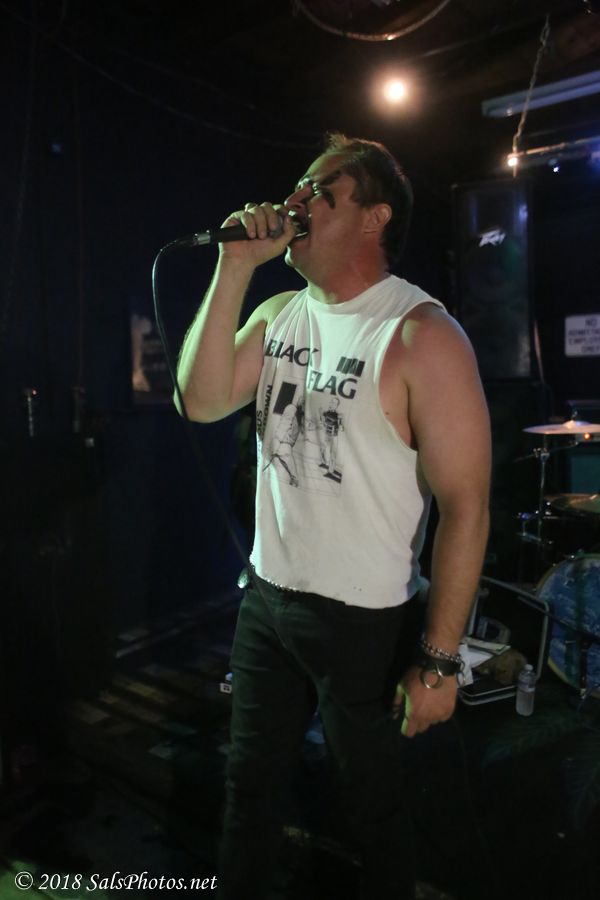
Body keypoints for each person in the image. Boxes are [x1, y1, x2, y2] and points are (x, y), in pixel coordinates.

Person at [175, 133, 491, 900]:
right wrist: (234, 267)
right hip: (269, 604)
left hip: (366, 624)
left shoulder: (420, 334)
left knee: (373, 810)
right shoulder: (280, 312)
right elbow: (201, 400)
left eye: (320, 191)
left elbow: (468, 506)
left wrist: (439, 661)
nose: (294, 202)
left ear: (375, 217)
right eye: (297, 186)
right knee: (248, 788)